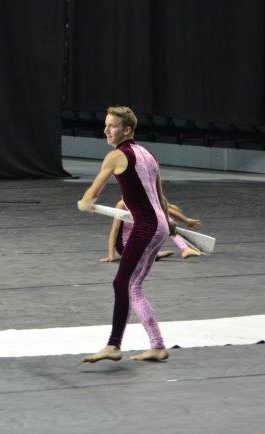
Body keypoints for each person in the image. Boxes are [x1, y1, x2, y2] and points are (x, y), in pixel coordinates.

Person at [78, 106, 172, 362]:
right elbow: (161, 198)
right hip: (159, 225)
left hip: (146, 227)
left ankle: (113, 345)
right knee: (133, 286)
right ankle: (157, 346)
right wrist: (169, 226)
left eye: (113, 126)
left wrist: (84, 203)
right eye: (106, 125)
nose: (106, 130)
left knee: (121, 283)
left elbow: (93, 192)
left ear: (127, 130)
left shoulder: (116, 156)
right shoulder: (148, 155)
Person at [101, 199, 202, 262]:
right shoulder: (122, 204)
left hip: (142, 243)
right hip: (126, 248)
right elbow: (114, 231)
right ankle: (157, 254)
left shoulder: (146, 199)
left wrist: (185, 220)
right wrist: (111, 255)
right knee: (163, 218)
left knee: (163, 218)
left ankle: (182, 249)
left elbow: (168, 209)